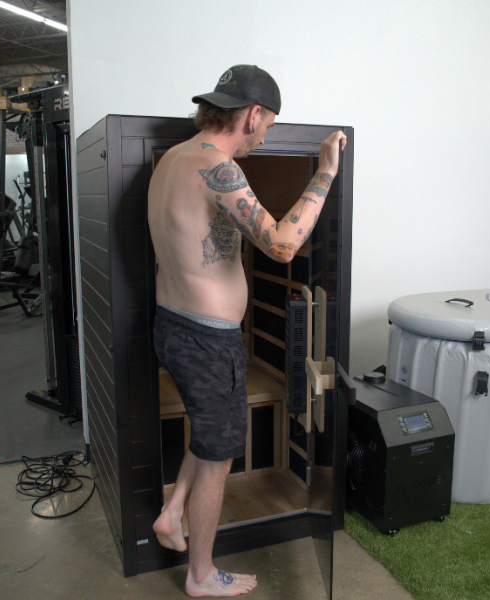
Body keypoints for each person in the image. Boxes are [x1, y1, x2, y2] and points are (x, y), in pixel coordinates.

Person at [148, 64, 347, 598]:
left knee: (210, 433)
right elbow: (282, 245)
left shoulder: (173, 159)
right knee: (219, 454)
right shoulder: (219, 167)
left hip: (174, 325)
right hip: (206, 339)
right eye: (269, 126)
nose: (266, 137)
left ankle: (171, 514)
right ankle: (201, 574)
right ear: (253, 114)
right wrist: (324, 172)